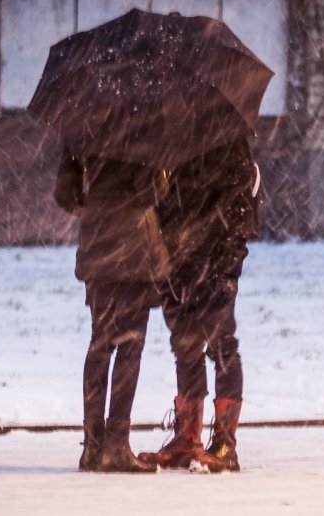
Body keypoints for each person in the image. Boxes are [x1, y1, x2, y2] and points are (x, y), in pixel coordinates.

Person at [138, 136, 261, 473]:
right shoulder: (171, 133)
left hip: (215, 257)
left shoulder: (227, 136)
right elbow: (164, 197)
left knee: (221, 345)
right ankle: (187, 437)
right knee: (186, 345)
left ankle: (225, 444)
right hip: (179, 256)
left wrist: (225, 262)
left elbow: (241, 205)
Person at [54, 151, 170, 473]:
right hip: (133, 247)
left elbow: (65, 194)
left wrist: (95, 208)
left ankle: (92, 446)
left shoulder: (84, 122)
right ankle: (117, 446)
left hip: (97, 242)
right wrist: (162, 173)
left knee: (100, 342)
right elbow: (150, 192)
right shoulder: (142, 129)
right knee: (130, 344)